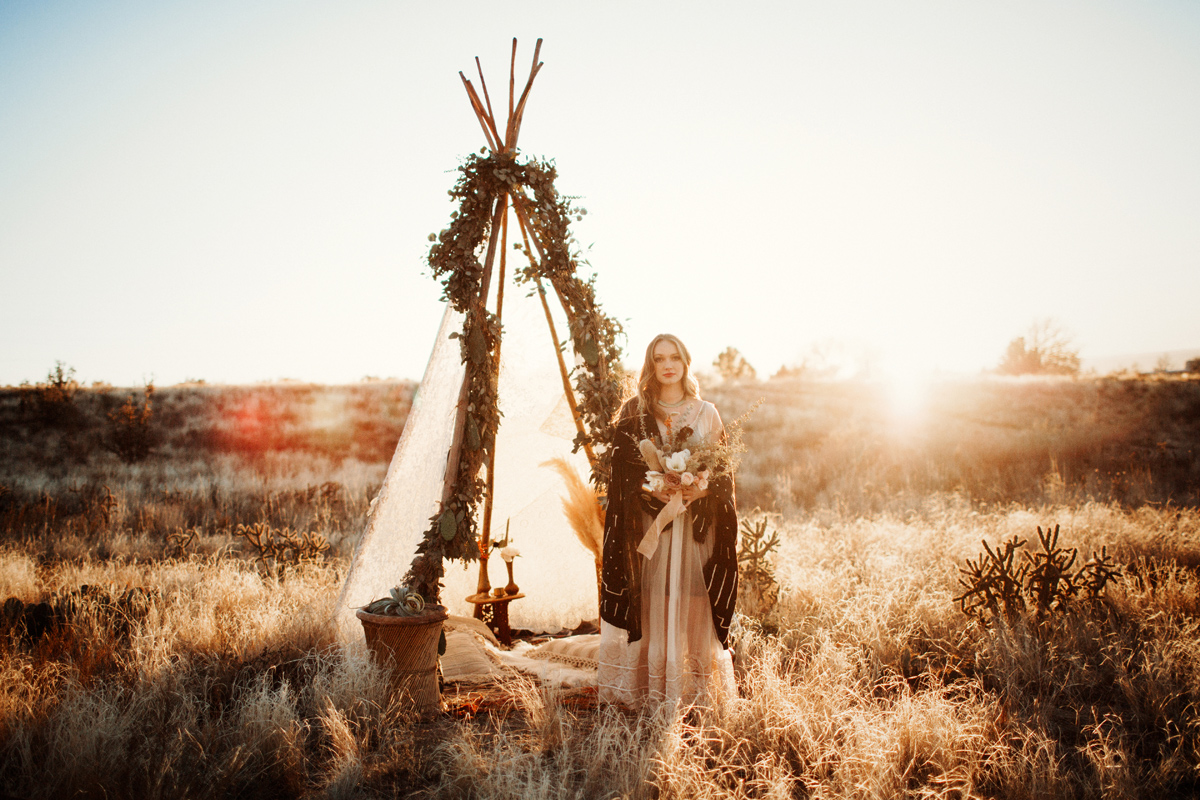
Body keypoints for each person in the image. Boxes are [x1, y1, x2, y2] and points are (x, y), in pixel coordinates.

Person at [597, 333, 739, 708]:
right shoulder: (634, 412)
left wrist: (701, 492)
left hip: (695, 527)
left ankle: (692, 689)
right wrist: (651, 489)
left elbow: (724, 473)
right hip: (650, 524)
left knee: (693, 601)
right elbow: (623, 473)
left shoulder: (706, 412)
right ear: (652, 365)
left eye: (674, 357)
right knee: (651, 602)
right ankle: (648, 689)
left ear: (685, 362)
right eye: (660, 359)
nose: (668, 365)